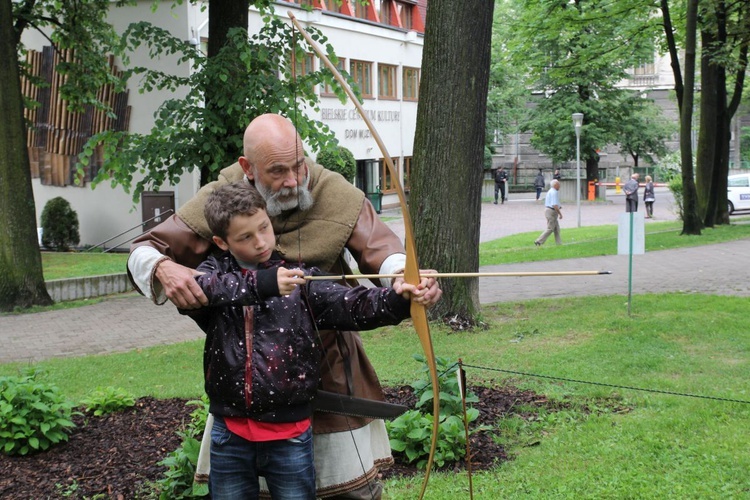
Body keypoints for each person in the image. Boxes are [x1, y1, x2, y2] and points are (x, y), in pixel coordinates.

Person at [127, 113, 442, 499]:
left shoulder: (332, 189)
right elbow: (148, 251)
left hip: (330, 363)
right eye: (277, 171)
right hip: (244, 390)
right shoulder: (222, 199)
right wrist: (162, 267)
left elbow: (382, 250)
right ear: (248, 168)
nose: (293, 180)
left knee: (348, 492)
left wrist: (403, 282)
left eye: (298, 165)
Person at [184, 182, 419, 499]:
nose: (260, 242)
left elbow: (355, 304)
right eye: (245, 237)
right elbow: (199, 290)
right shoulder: (213, 274)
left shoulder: (298, 277)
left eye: (264, 228)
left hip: (290, 435)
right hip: (231, 432)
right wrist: (265, 282)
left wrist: (402, 299)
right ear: (221, 242)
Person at [534, 179, 562, 246]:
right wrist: (560, 213)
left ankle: (559, 243)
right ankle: (539, 241)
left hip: (549, 210)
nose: (560, 186)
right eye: (559, 184)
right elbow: (554, 205)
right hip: (551, 211)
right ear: (555, 185)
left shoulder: (551, 191)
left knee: (556, 228)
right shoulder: (554, 192)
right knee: (550, 228)